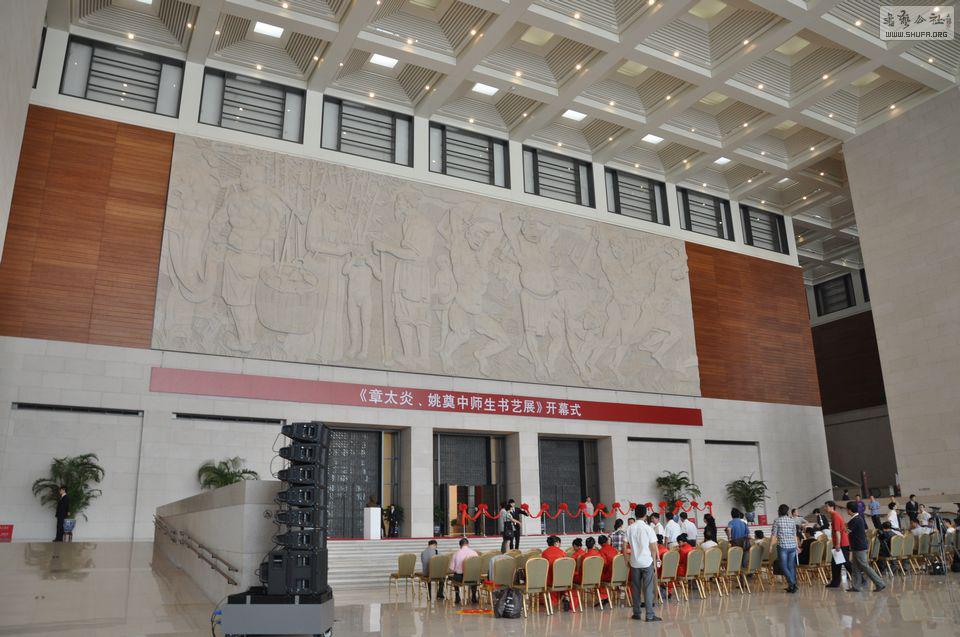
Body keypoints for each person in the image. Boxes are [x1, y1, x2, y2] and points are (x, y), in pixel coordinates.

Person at [625, 504, 661, 622]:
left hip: (634, 562)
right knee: (648, 589)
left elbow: (624, 546)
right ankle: (649, 615)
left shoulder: (630, 528)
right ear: (646, 515)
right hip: (647, 562)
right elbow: (653, 548)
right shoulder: (648, 528)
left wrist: (626, 560)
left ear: (635, 514)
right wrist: (654, 563)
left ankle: (636, 613)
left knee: (635, 588)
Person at [845, 501, 886, 592]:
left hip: (859, 546)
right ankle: (856, 586)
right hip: (856, 546)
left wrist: (841, 526)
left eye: (847, 509)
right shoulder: (857, 518)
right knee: (855, 567)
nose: (846, 511)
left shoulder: (855, 519)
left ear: (850, 510)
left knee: (864, 566)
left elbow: (847, 531)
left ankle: (880, 583)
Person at [824, 500, 853, 589]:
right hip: (841, 543)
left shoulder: (835, 516)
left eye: (826, 506)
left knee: (846, 563)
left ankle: (861, 579)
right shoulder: (834, 516)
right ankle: (835, 582)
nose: (825, 508)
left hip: (841, 543)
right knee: (836, 564)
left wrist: (837, 544)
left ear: (831, 507)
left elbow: (838, 532)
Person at [770, 504, 799, 593]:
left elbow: (774, 535)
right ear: (787, 511)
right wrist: (797, 546)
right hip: (792, 546)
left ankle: (792, 582)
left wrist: (770, 546)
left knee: (783, 566)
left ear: (779, 511)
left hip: (783, 546)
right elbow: (794, 535)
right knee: (791, 566)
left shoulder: (777, 520)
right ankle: (792, 586)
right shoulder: (792, 520)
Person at [542, 536, 569, 610]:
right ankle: (566, 595)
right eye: (559, 543)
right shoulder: (562, 552)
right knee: (563, 577)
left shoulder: (544, 553)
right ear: (556, 543)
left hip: (550, 580)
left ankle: (551, 602)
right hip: (562, 580)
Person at [450, 538, 479, 604]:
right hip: (473, 578)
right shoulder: (474, 553)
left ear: (460, 545)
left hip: (460, 578)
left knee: (454, 576)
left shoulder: (456, 554)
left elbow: (452, 568)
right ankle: (474, 596)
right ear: (468, 544)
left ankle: (457, 596)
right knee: (473, 575)